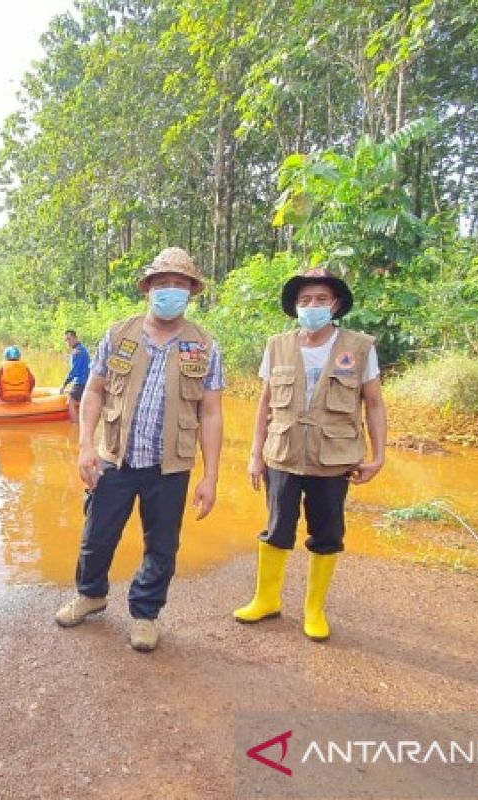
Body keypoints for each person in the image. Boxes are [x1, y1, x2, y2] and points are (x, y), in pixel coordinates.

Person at [54, 248, 224, 653]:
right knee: (96, 536)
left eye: (180, 284)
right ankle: (90, 594)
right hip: (114, 457)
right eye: (163, 283)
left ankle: (145, 614)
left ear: (191, 292)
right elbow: (93, 392)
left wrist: (211, 476)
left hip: (170, 466)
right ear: (148, 288)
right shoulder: (118, 334)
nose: (170, 291)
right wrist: (85, 447)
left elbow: (212, 413)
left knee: (162, 546)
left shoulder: (204, 345)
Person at [232, 267, 387, 642]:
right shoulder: (278, 345)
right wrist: (255, 454)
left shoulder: (359, 347)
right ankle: (266, 600)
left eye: (320, 299)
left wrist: (378, 457)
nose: (312, 306)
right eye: (304, 301)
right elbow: (265, 403)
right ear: (295, 307)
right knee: (276, 529)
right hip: (282, 454)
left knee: (327, 533)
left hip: (333, 459)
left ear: (335, 305)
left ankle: (313, 610)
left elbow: (375, 405)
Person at [60, 329, 91, 423]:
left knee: (71, 401)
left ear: (75, 338)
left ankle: (75, 427)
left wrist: (64, 384)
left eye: (69, 339)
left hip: (81, 381)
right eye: (66, 340)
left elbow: (74, 371)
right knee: (79, 401)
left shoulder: (79, 351)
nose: (68, 342)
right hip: (85, 381)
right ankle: (81, 422)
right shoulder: (81, 349)